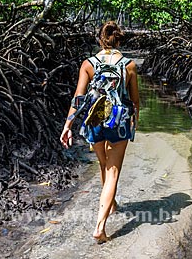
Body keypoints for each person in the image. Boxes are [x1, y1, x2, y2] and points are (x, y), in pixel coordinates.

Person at [59, 21, 139, 243]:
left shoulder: (88, 63)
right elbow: (134, 100)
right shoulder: (129, 65)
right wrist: (135, 123)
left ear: (100, 39)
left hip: (95, 119)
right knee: (113, 171)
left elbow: (79, 97)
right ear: (119, 39)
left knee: (103, 164)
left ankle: (110, 204)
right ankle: (100, 227)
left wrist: (68, 126)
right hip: (119, 121)